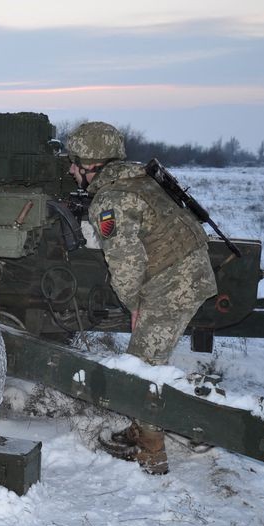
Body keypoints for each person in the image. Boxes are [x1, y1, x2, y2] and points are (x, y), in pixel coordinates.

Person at [67, 121, 217, 475]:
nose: (70, 170)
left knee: (141, 368)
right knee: (146, 360)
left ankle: (151, 452)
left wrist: (134, 304)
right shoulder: (138, 179)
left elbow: (126, 262)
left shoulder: (110, 201)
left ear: (92, 165)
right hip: (186, 270)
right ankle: (151, 428)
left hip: (175, 283)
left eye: (75, 163)